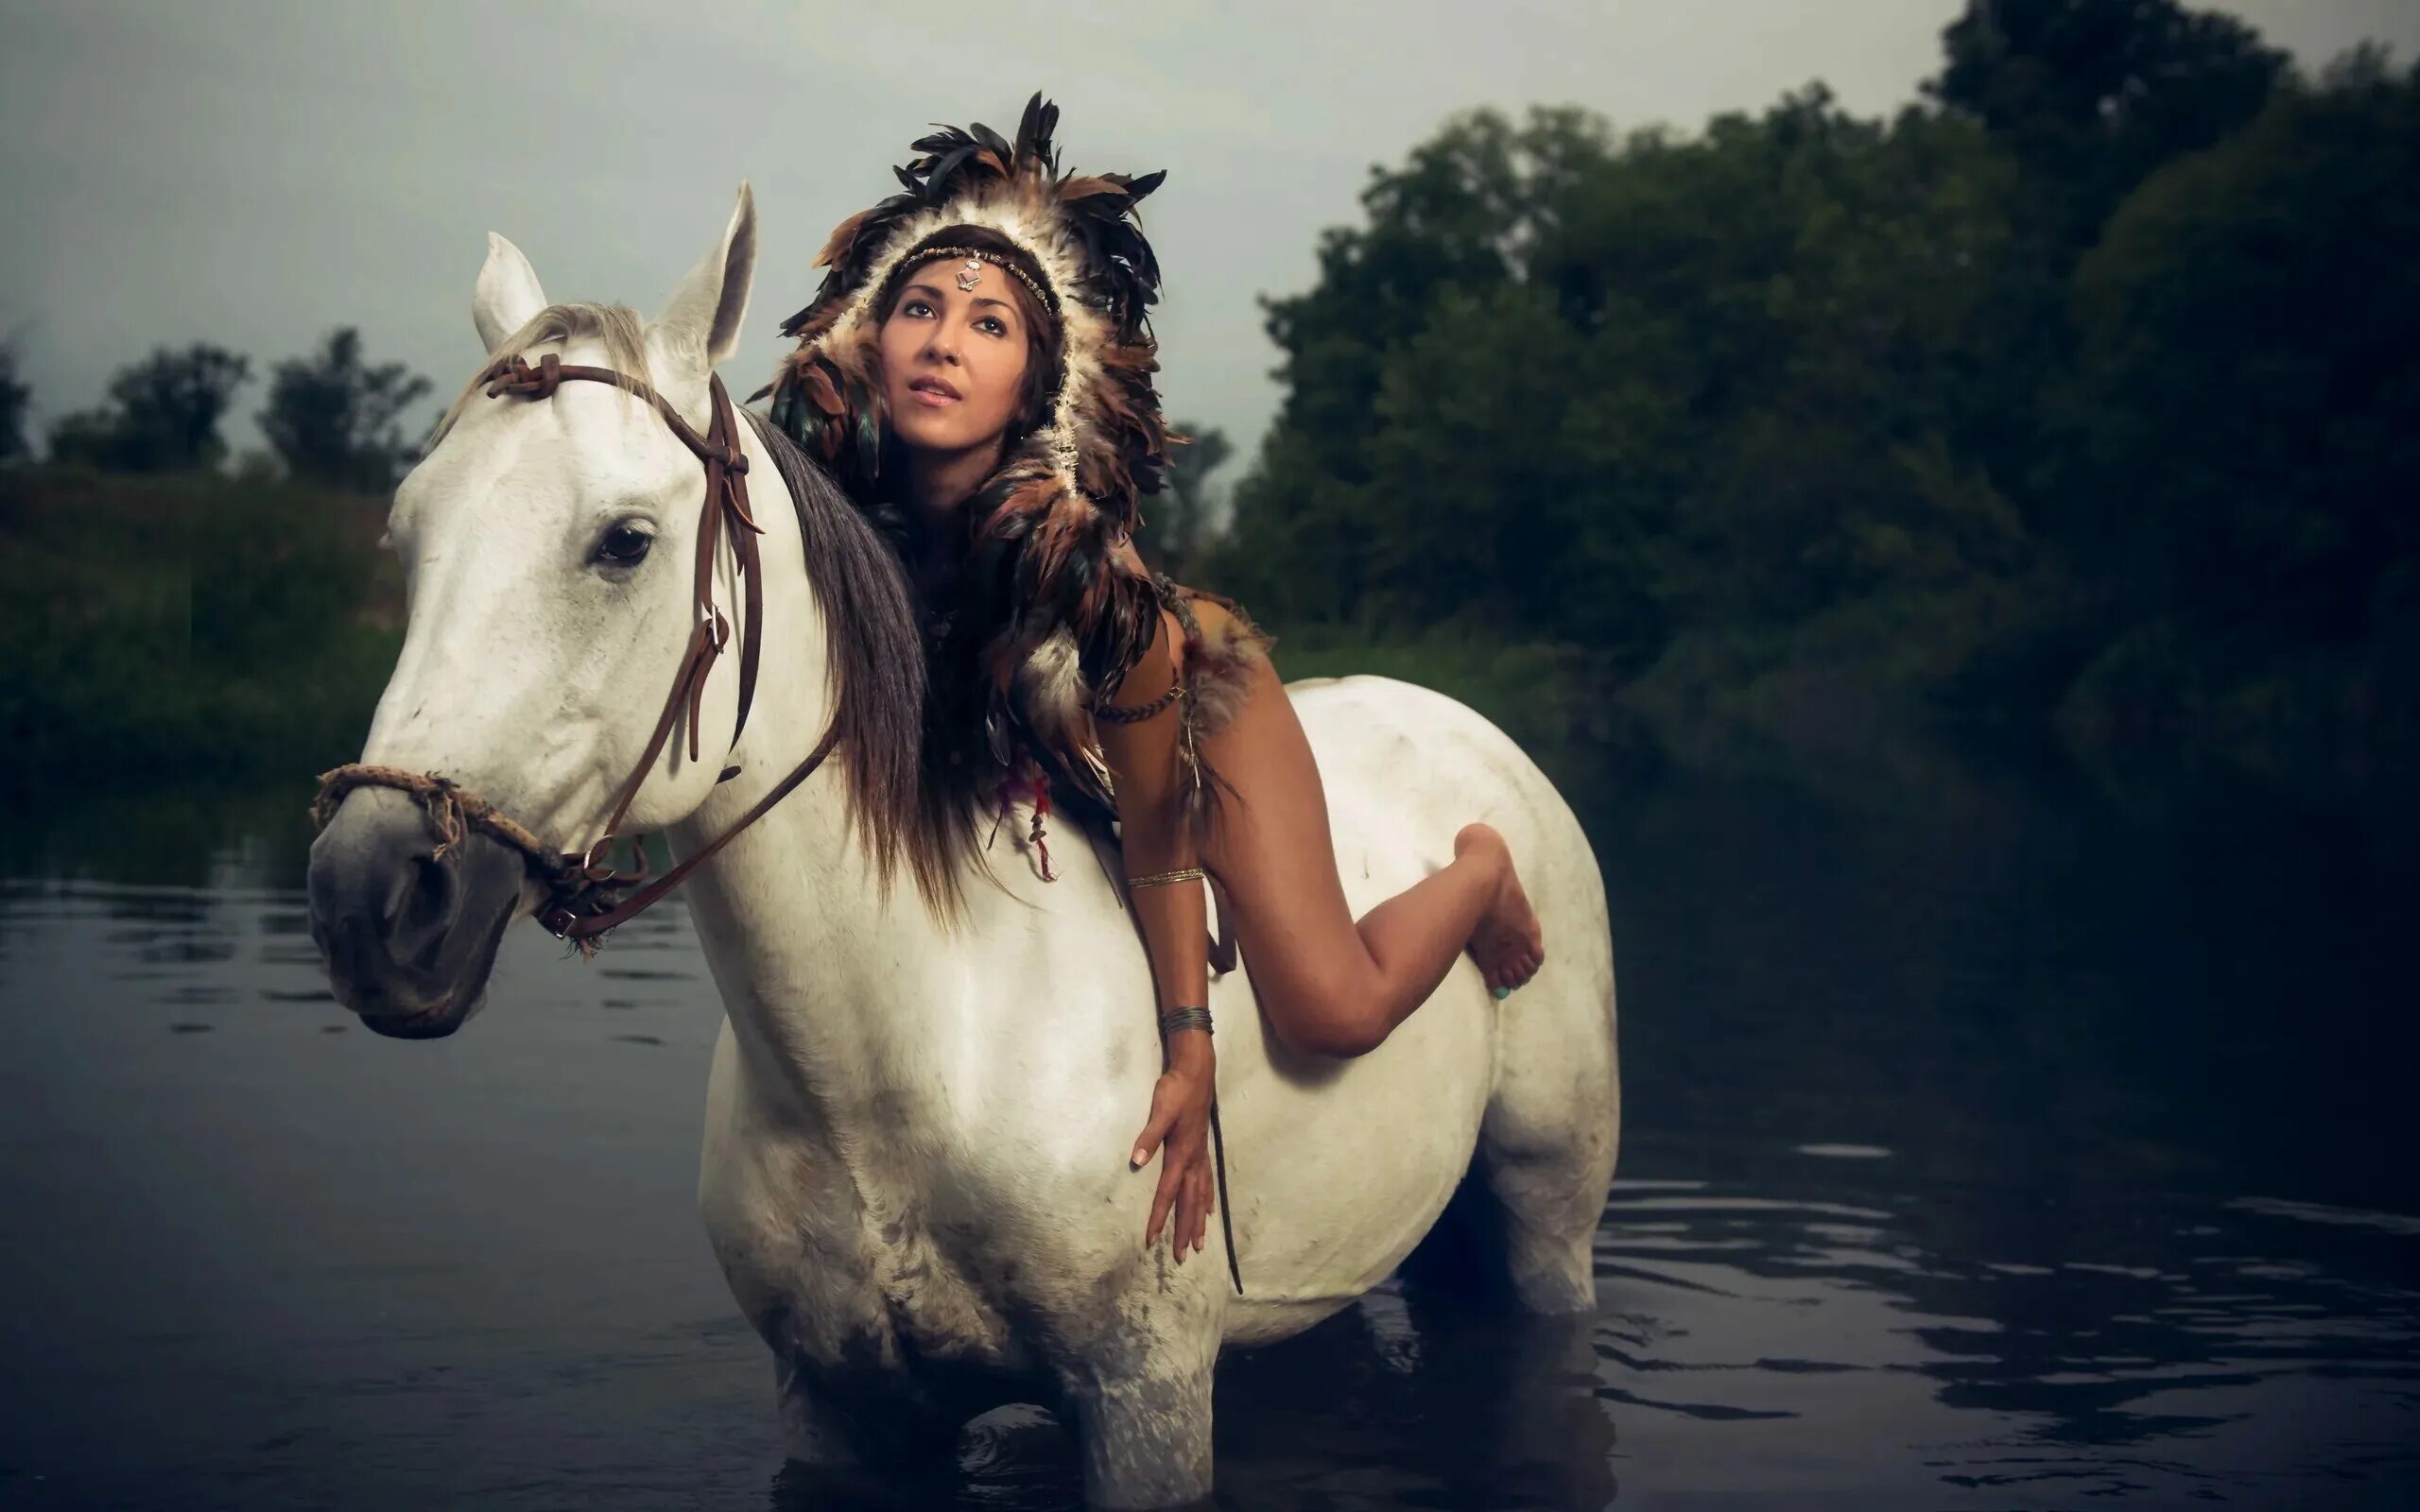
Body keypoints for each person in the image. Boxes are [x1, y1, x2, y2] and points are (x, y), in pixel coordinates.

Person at [762, 94, 1544, 1281]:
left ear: (1033, 383)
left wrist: (1187, 1050)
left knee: (1331, 1008)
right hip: (1005, 743)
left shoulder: (1091, 580)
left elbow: (1161, 839)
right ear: (868, 337)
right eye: (918, 307)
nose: (941, 340)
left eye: (987, 324)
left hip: (1186, 709)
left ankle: (1479, 874)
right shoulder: (826, 519)